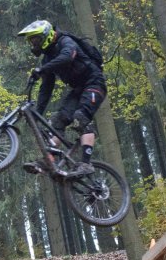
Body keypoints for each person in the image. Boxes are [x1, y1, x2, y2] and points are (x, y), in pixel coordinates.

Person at [17, 20, 107, 177]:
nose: (33, 44)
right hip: (78, 89)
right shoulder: (48, 58)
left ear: (45, 34)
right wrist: (37, 113)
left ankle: (86, 164)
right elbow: (46, 88)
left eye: (35, 39)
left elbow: (67, 57)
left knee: (80, 117)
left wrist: (42, 69)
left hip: (94, 83)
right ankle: (48, 160)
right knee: (58, 120)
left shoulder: (65, 41)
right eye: (31, 41)